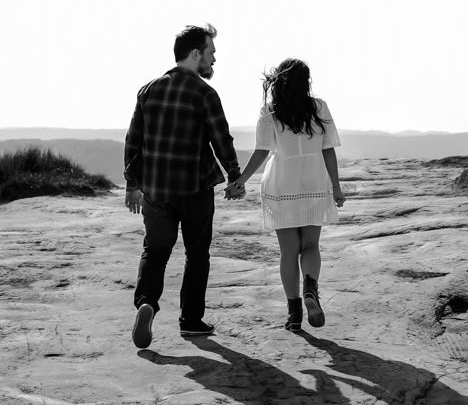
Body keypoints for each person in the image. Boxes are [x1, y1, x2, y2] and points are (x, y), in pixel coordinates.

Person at [124, 23, 247, 349]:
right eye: (211, 54)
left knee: (155, 251)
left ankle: (147, 304)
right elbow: (221, 139)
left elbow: (133, 141)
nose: (213, 61)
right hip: (194, 191)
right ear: (195, 54)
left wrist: (130, 185)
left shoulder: (148, 90)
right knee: (197, 256)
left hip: (155, 192)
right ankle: (190, 321)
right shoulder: (204, 93)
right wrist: (235, 177)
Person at [234, 58, 346, 332]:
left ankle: (294, 313)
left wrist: (240, 181)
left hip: (282, 182)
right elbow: (328, 149)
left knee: (288, 251)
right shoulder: (318, 107)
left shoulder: (270, 111)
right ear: (306, 82)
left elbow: (261, 150)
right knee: (310, 245)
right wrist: (337, 186)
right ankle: (310, 287)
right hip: (314, 180)